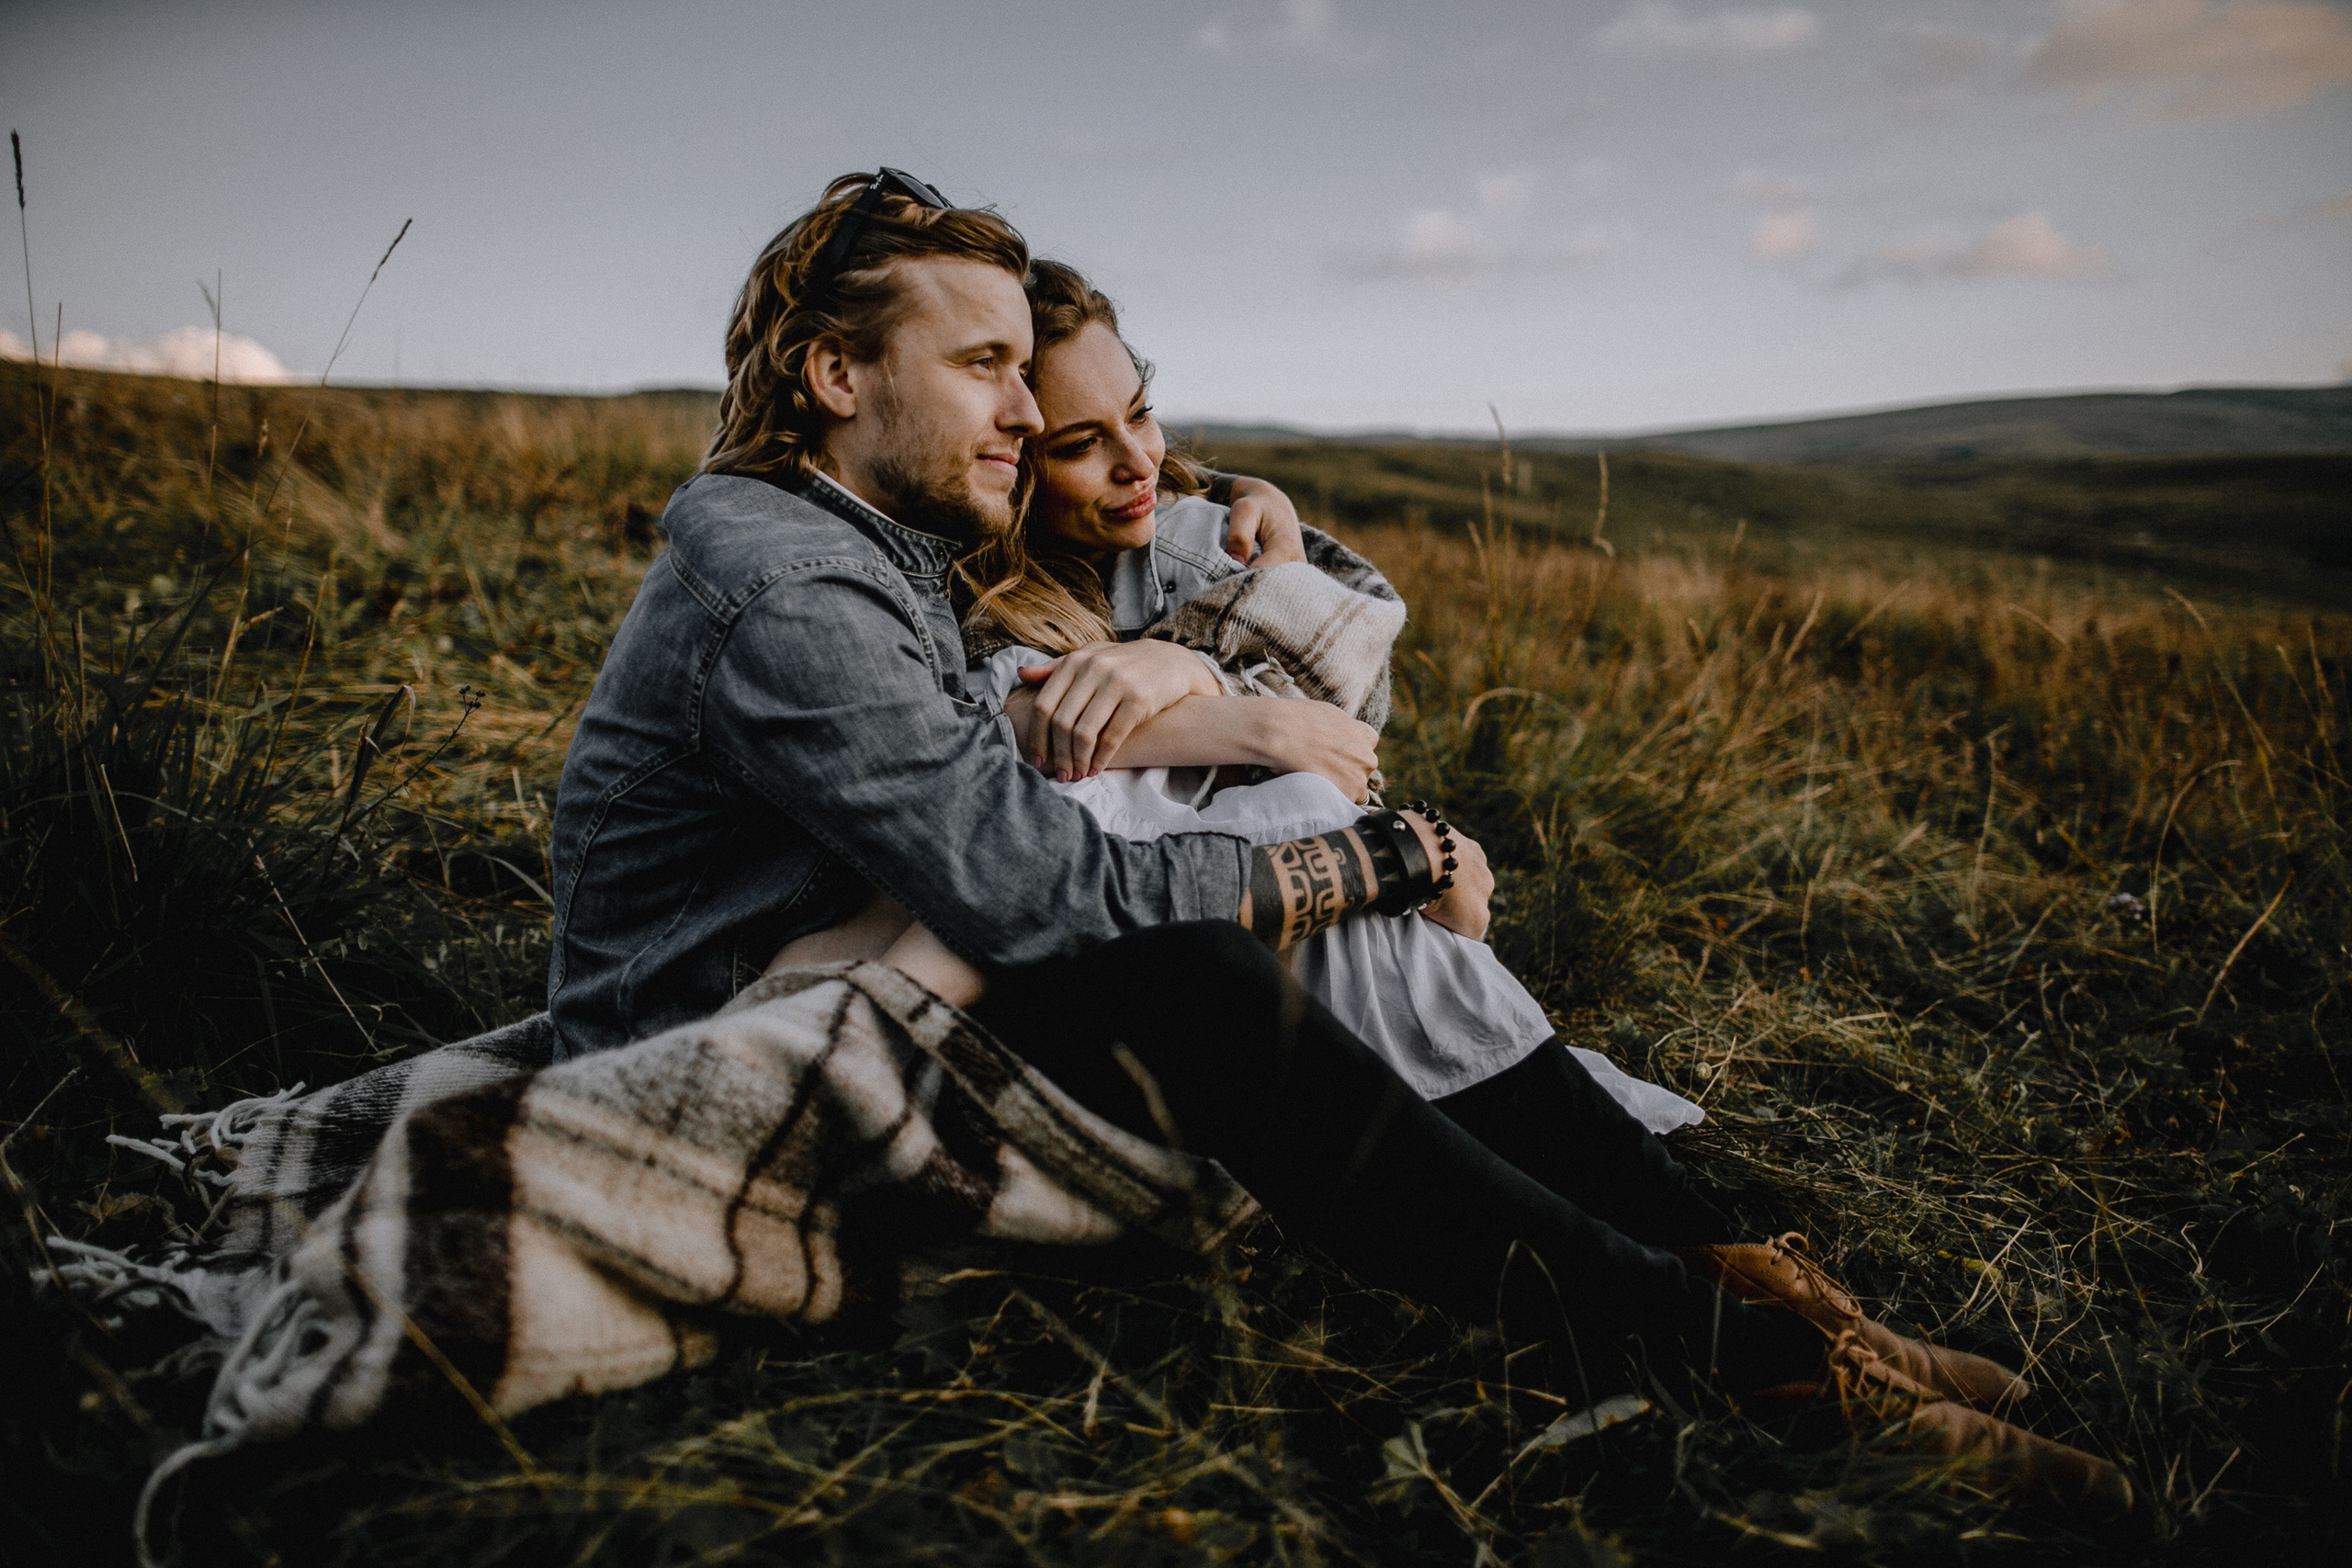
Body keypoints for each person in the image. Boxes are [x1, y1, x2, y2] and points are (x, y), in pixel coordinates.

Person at [544, 169, 2131, 1516]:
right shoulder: (791, 582)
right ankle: (1738, 1343)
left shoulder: (867, 534)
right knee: (1187, 963)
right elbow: (1030, 886)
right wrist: (1371, 861)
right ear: (834, 374)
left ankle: (1760, 1296)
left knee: (1242, 902)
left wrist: (1245, 522)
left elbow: (1223, 619)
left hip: (886, 964)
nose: (1027, 416)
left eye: (1035, 378)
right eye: (985, 369)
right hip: (719, 1033)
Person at [937, 256, 1702, 1135]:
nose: (1137, 461)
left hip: (1309, 919)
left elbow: (1348, 719)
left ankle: (1627, 1195)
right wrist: (1250, 719)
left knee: (1370, 891)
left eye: (1141, 413)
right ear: (1005, 452)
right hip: (1147, 972)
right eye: (1079, 445)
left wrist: (1197, 655)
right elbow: (1038, 735)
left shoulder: (1202, 537)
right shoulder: (963, 607)